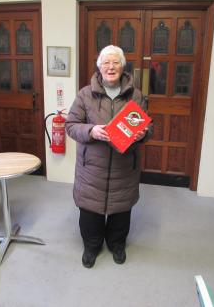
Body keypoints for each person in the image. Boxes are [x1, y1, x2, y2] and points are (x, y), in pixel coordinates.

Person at [65, 45, 152, 268]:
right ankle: (91, 246)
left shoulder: (137, 95)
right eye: (106, 63)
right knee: (90, 212)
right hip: (92, 168)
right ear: (99, 67)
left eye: (115, 62)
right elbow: (71, 125)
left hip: (125, 167)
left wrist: (142, 134)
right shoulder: (85, 94)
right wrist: (91, 131)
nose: (110, 67)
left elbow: (148, 127)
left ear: (123, 67)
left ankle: (117, 244)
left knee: (121, 211)